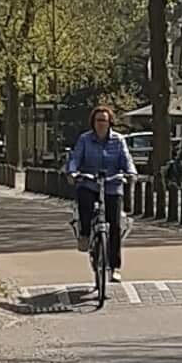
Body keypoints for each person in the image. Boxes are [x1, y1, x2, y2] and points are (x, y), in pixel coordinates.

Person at [66, 106, 136, 279]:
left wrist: (131, 173)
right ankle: (85, 235)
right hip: (90, 182)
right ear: (93, 122)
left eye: (104, 120)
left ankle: (115, 267)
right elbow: (76, 159)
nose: (101, 124)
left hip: (112, 184)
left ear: (110, 122)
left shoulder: (118, 141)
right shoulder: (85, 140)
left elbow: (127, 160)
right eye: (98, 120)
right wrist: (72, 172)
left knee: (115, 224)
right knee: (85, 203)